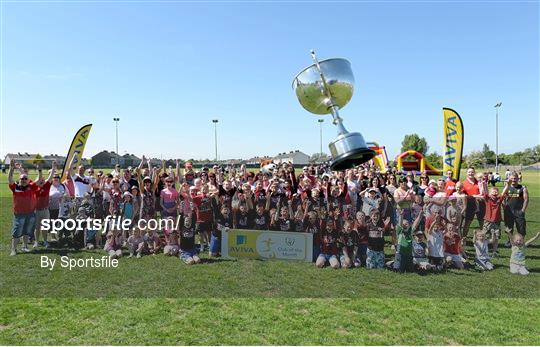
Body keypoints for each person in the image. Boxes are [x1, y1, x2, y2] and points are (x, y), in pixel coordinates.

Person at [8, 161, 39, 255]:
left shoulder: (31, 186)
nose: (24, 180)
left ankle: (24, 247)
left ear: (28, 180)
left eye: (25, 178)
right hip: (19, 214)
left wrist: (39, 169)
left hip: (30, 213)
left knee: (27, 231)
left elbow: (38, 181)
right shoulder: (15, 187)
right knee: (17, 232)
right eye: (22, 179)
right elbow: (10, 178)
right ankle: (13, 249)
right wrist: (11, 168)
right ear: (19, 179)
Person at [33, 163, 56, 248]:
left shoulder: (46, 186)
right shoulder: (35, 188)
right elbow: (37, 180)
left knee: (45, 227)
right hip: (37, 211)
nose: (42, 181)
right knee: (37, 227)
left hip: (45, 210)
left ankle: (45, 241)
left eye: (43, 180)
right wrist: (40, 171)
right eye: (40, 180)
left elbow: (50, 177)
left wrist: (53, 168)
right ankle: (36, 242)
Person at [503, 172, 528, 248]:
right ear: (509, 179)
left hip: (519, 211)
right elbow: (503, 197)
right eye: (512, 178)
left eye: (515, 178)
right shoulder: (507, 187)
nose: (513, 180)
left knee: (521, 228)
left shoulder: (523, 188)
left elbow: (526, 199)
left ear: (518, 178)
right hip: (509, 211)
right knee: (509, 228)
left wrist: (523, 210)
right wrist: (504, 207)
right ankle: (510, 242)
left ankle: (521, 242)